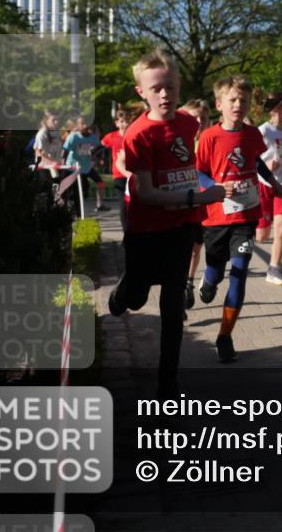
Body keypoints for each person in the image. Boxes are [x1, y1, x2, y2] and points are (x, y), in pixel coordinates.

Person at [107, 50, 225, 393]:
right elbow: (145, 193)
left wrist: (198, 193)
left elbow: (187, 165)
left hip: (182, 227)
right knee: (137, 299)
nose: (165, 94)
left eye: (171, 86)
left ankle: (167, 382)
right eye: (156, 88)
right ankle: (127, 288)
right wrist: (196, 197)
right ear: (140, 91)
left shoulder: (189, 123)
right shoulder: (138, 134)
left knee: (172, 308)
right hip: (146, 229)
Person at [195, 76, 275, 363]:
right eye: (232, 100)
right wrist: (214, 187)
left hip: (246, 214)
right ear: (219, 104)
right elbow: (199, 172)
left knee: (239, 272)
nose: (238, 105)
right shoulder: (209, 137)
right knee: (216, 270)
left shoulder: (253, 134)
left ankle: (225, 336)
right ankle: (208, 280)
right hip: (216, 217)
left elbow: (256, 161)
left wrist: (272, 182)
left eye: (243, 100)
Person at [256, 92, 282, 286]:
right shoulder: (264, 131)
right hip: (263, 184)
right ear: (278, 108)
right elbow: (253, 158)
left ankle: (274, 269)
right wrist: (267, 164)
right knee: (261, 235)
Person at [180, 99, 213, 310]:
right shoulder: (178, 141)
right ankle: (178, 288)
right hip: (179, 201)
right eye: (195, 117)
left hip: (203, 204)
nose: (199, 121)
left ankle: (189, 283)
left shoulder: (210, 140)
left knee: (195, 248)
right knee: (180, 249)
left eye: (203, 118)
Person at [63, 115, 106, 213]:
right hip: (73, 167)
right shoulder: (73, 137)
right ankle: (74, 211)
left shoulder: (93, 138)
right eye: (82, 124)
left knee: (98, 182)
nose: (85, 126)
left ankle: (100, 204)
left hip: (86, 167)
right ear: (78, 125)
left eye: (87, 123)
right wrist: (64, 166)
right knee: (76, 191)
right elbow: (65, 151)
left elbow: (99, 150)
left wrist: (100, 159)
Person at [102, 108, 134, 229]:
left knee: (134, 204)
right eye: (121, 121)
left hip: (132, 173)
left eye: (126, 121)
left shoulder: (133, 134)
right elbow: (100, 146)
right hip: (119, 175)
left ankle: (136, 231)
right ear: (116, 123)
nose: (124, 124)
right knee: (123, 206)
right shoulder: (111, 136)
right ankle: (126, 234)